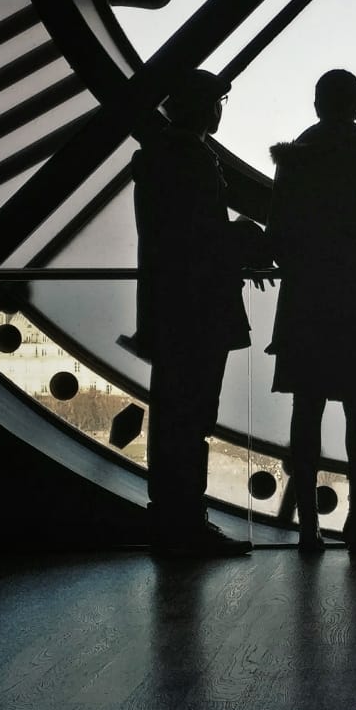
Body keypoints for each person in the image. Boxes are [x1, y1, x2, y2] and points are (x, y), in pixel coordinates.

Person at [266, 70, 356, 555]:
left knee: (306, 413)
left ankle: (309, 525)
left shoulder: (295, 165)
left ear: (317, 104)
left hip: (307, 305)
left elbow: (280, 238)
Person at [133, 69, 269, 557]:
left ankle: (176, 518)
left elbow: (183, 239)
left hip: (177, 309)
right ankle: (185, 520)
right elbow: (204, 238)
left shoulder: (161, 159)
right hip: (200, 311)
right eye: (219, 102)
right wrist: (244, 242)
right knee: (192, 416)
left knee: (177, 414)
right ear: (204, 107)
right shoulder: (191, 161)